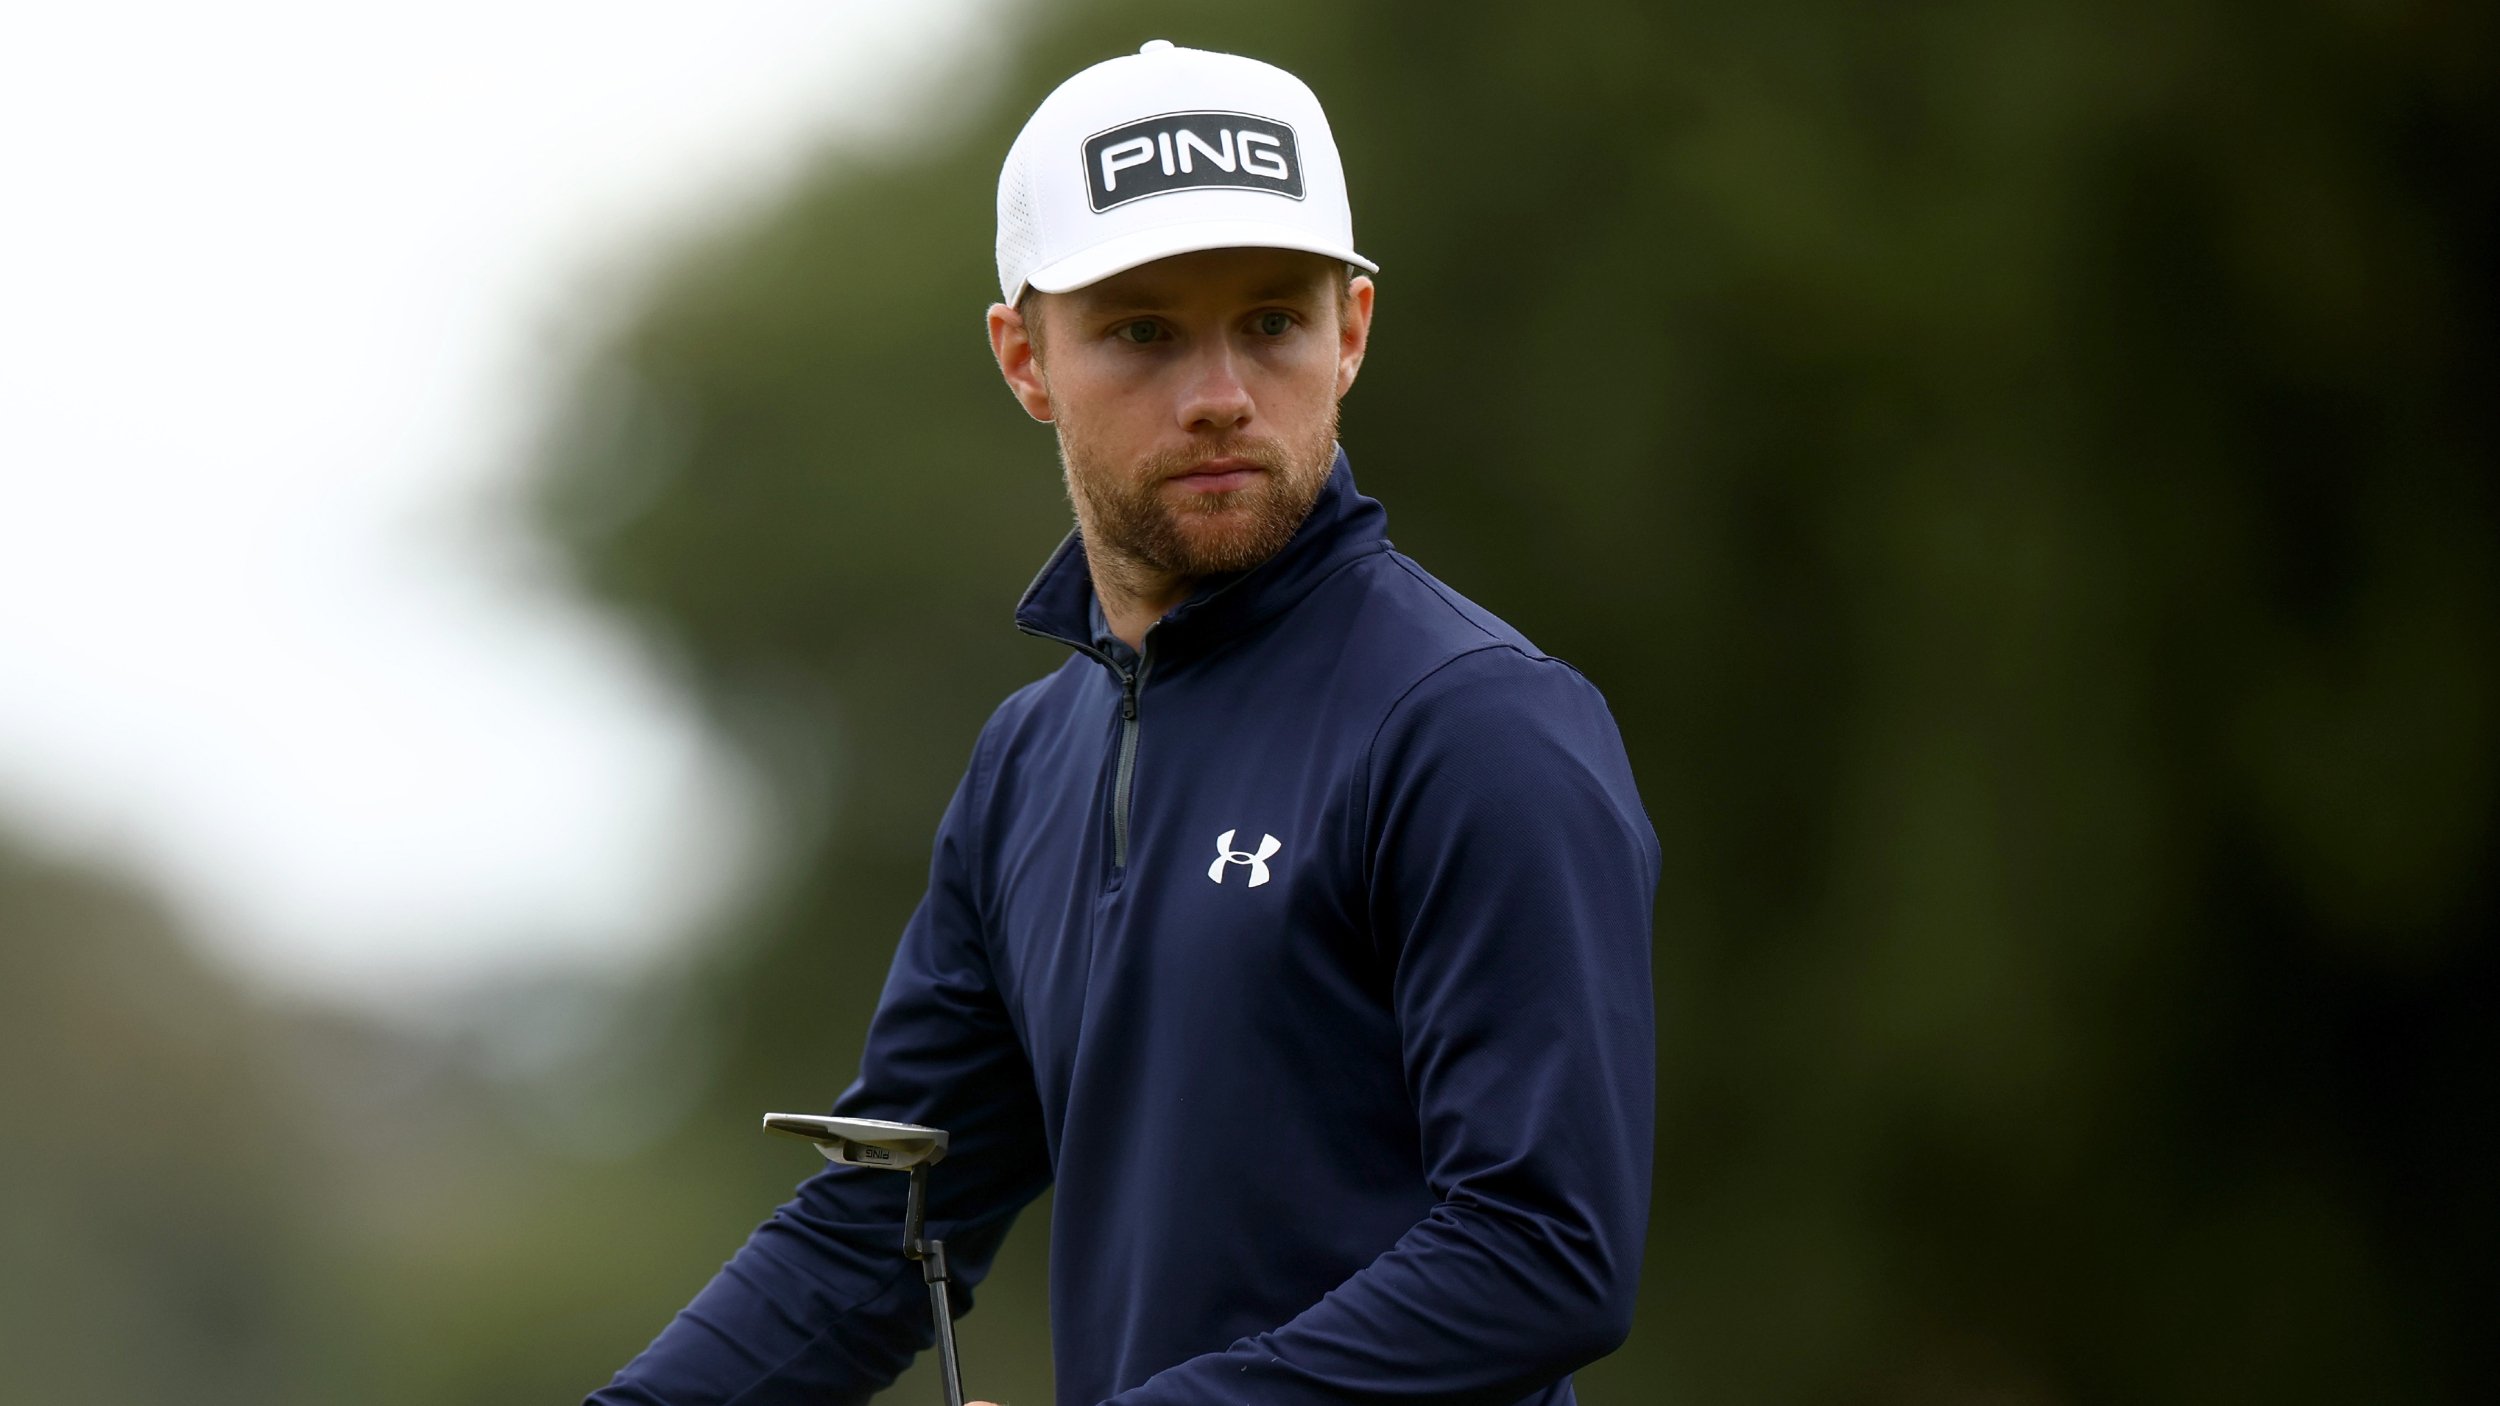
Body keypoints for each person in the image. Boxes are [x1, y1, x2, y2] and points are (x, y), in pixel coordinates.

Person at [588, 40, 1658, 1406]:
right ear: (1024, 355)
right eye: (1143, 330)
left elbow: (1541, 1249)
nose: (1219, 390)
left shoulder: (1478, 726)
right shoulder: (1028, 764)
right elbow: (880, 1231)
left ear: (1352, 332)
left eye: (1272, 319)